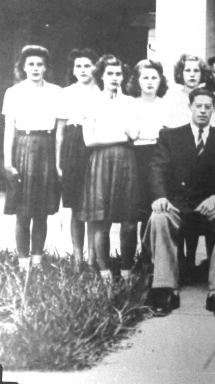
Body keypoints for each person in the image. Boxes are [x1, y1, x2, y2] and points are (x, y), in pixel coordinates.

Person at [143, 88, 215, 317]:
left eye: (208, 107)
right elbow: (157, 168)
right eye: (198, 106)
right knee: (159, 217)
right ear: (190, 107)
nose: (203, 111)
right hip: (178, 202)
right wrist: (160, 196)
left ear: (214, 109)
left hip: (211, 203)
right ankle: (167, 289)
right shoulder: (170, 136)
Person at [80, 54, 140, 282]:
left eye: (118, 74)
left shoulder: (130, 102)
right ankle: (105, 272)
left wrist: (120, 104)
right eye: (110, 74)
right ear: (101, 76)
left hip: (126, 162)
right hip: (101, 162)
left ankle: (127, 270)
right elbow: (89, 140)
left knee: (129, 221)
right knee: (101, 220)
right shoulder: (91, 101)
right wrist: (120, 137)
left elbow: (134, 133)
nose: (115, 78)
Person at [3, 45, 62, 271]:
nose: (35, 68)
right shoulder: (13, 92)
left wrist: (58, 163)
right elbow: (9, 130)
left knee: (41, 210)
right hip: (23, 147)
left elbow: (59, 132)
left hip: (46, 148)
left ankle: (37, 260)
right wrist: (8, 162)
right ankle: (22, 262)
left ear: (46, 67)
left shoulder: (56, 92)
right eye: (31, 64)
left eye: (40, 64)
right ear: (23, 67)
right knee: (22, 210)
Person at [57, 48, 100, 269]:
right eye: (78, 66)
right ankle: (77, 258)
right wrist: (59, 162)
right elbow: (60, 131)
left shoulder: (102, 92)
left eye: (87, 65)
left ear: (95, 68)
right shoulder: (66, 93)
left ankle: (92, 258)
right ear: (73, 70)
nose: (83, 70)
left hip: (95, 146)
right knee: (75, 205)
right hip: (73, 146)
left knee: (92, 205)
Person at [126, 59, 169, 256]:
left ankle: (150, 257)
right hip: (136, 156)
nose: (150, 82)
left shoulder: (166, 106)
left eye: (154, 78)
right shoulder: (131, 104)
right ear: (137, 81)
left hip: (159, 156)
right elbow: (132, 134)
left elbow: (168, 135)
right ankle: (134, 260)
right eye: (145, 78)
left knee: (155, 207)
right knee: (138, 208)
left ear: (161, 81)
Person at [164, 54, 208, 128]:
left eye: (196, 71)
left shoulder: (208, 98)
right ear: (181, 73)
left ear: (202, 74)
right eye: (188, 70)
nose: (192, 74)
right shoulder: (173, 100)